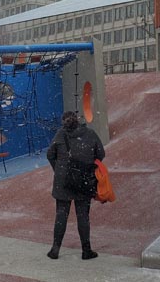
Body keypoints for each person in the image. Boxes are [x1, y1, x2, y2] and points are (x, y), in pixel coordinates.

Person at [46, 110, 105, 261]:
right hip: (84, 180)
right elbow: (101, 154)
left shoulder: (60, 135)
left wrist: (59, 169)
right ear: (78, 120)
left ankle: (55, 249)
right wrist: (88, 165)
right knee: (83, 216)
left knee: (61, 215)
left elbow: (50, 155)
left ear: (63, 121)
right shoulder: (90, 133)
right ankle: (86, 250)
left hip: (63, 182)